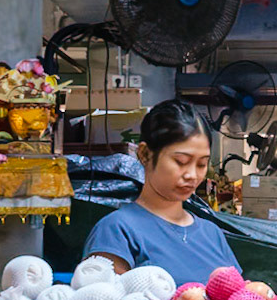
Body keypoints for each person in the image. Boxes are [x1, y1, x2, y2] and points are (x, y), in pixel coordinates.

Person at [83, 99, 240, 283]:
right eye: (181, 161)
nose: (192, 175)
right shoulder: (116, 231)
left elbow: (237, 298)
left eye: (201, 164)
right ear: (145, 154)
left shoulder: (212, 234)